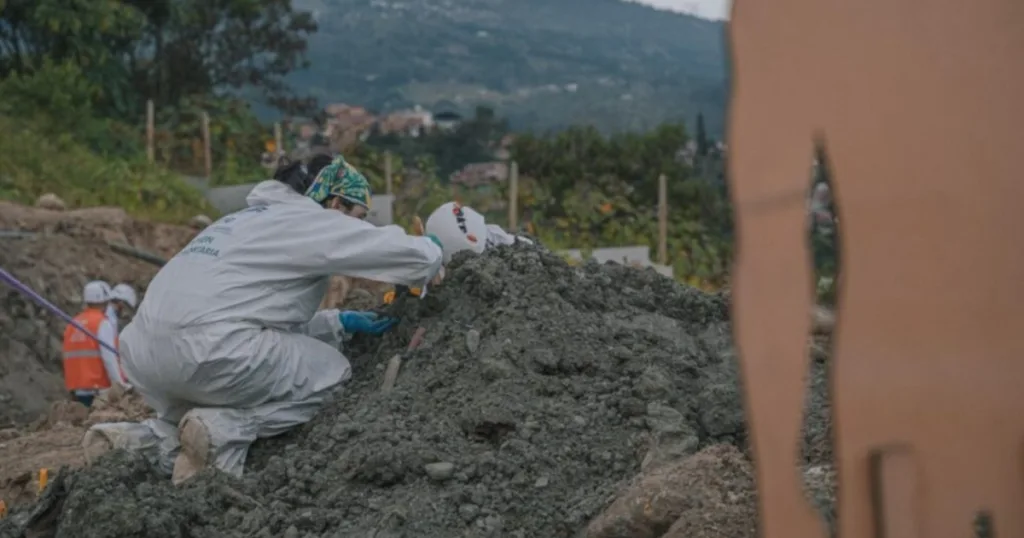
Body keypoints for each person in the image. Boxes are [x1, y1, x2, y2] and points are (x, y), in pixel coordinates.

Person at [83, 155, 445, 484]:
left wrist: (336, 323)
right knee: (331, 371)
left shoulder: (239, 221)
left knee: (201, 402)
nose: (358, 227)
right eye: (358, 218)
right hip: (209, 352)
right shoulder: (311, 219)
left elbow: (248, 313)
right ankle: (224, 430)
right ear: (335, 203)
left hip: (145, 357)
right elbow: (410, 258)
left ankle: (137, 444)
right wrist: (436, 246)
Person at [63, 281, 130, 407]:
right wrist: (120, 384)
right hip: (97, 389)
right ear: (105, 301)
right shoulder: (101, 323)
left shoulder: (73, 323)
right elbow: (109, 358)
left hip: (76, 389)